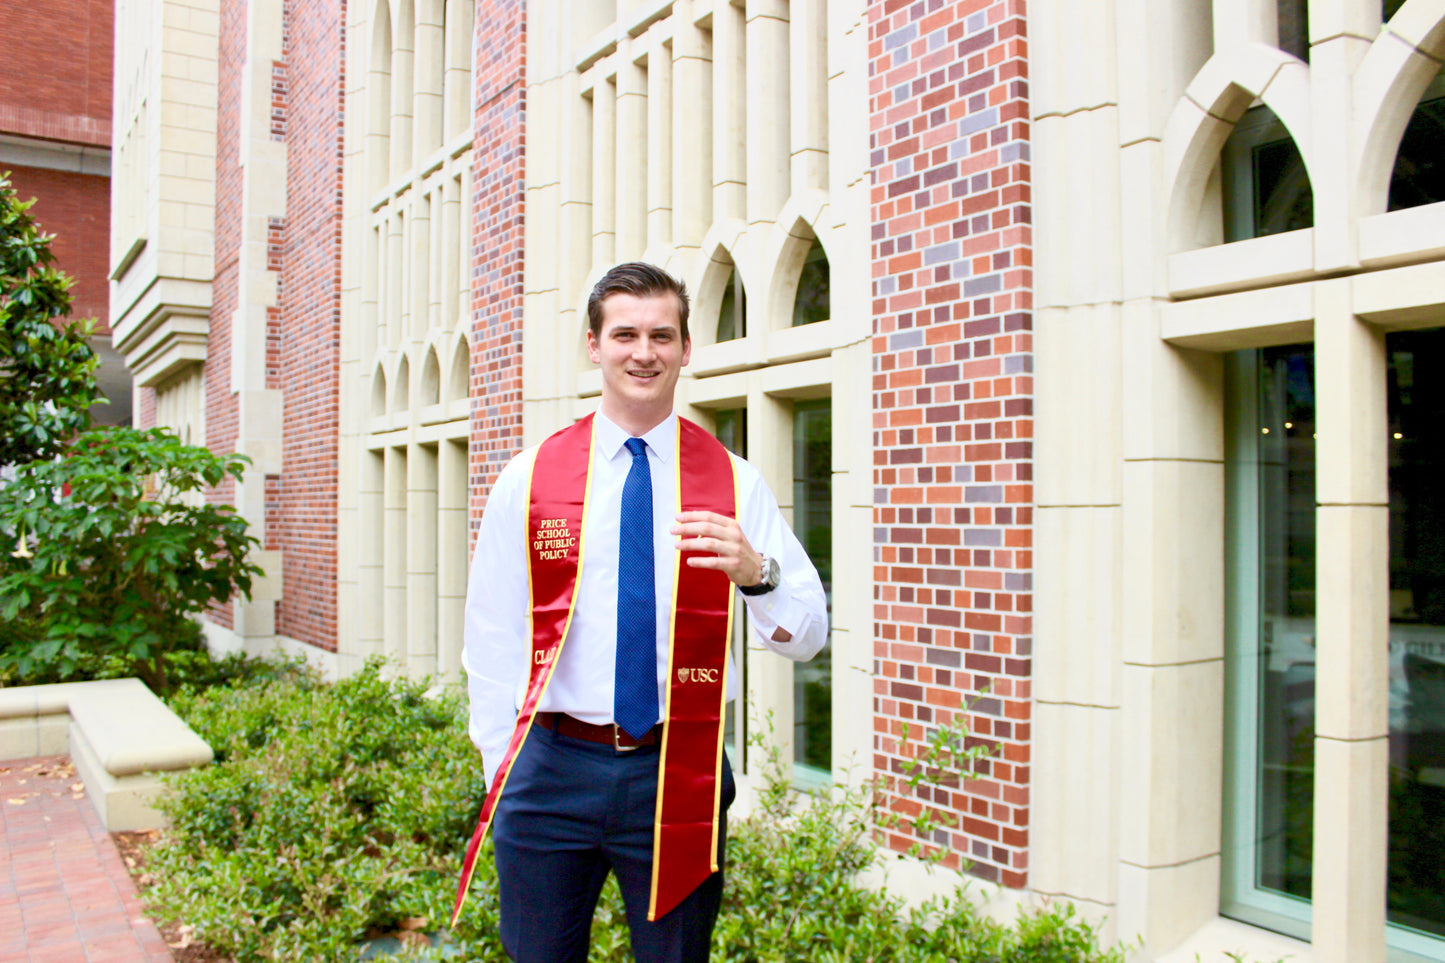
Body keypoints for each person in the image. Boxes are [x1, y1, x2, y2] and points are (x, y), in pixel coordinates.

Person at [454, 261, 829, 963]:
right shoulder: (530, 478)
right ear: (593, 345)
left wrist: (757, 572)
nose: (643, 351)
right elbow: (493, 638)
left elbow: (806, 634)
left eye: (662, 334)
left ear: (686, 348)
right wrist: (500, 769)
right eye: (624, 333)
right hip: (549, 768)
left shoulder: (732, 482)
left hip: (675, 771)